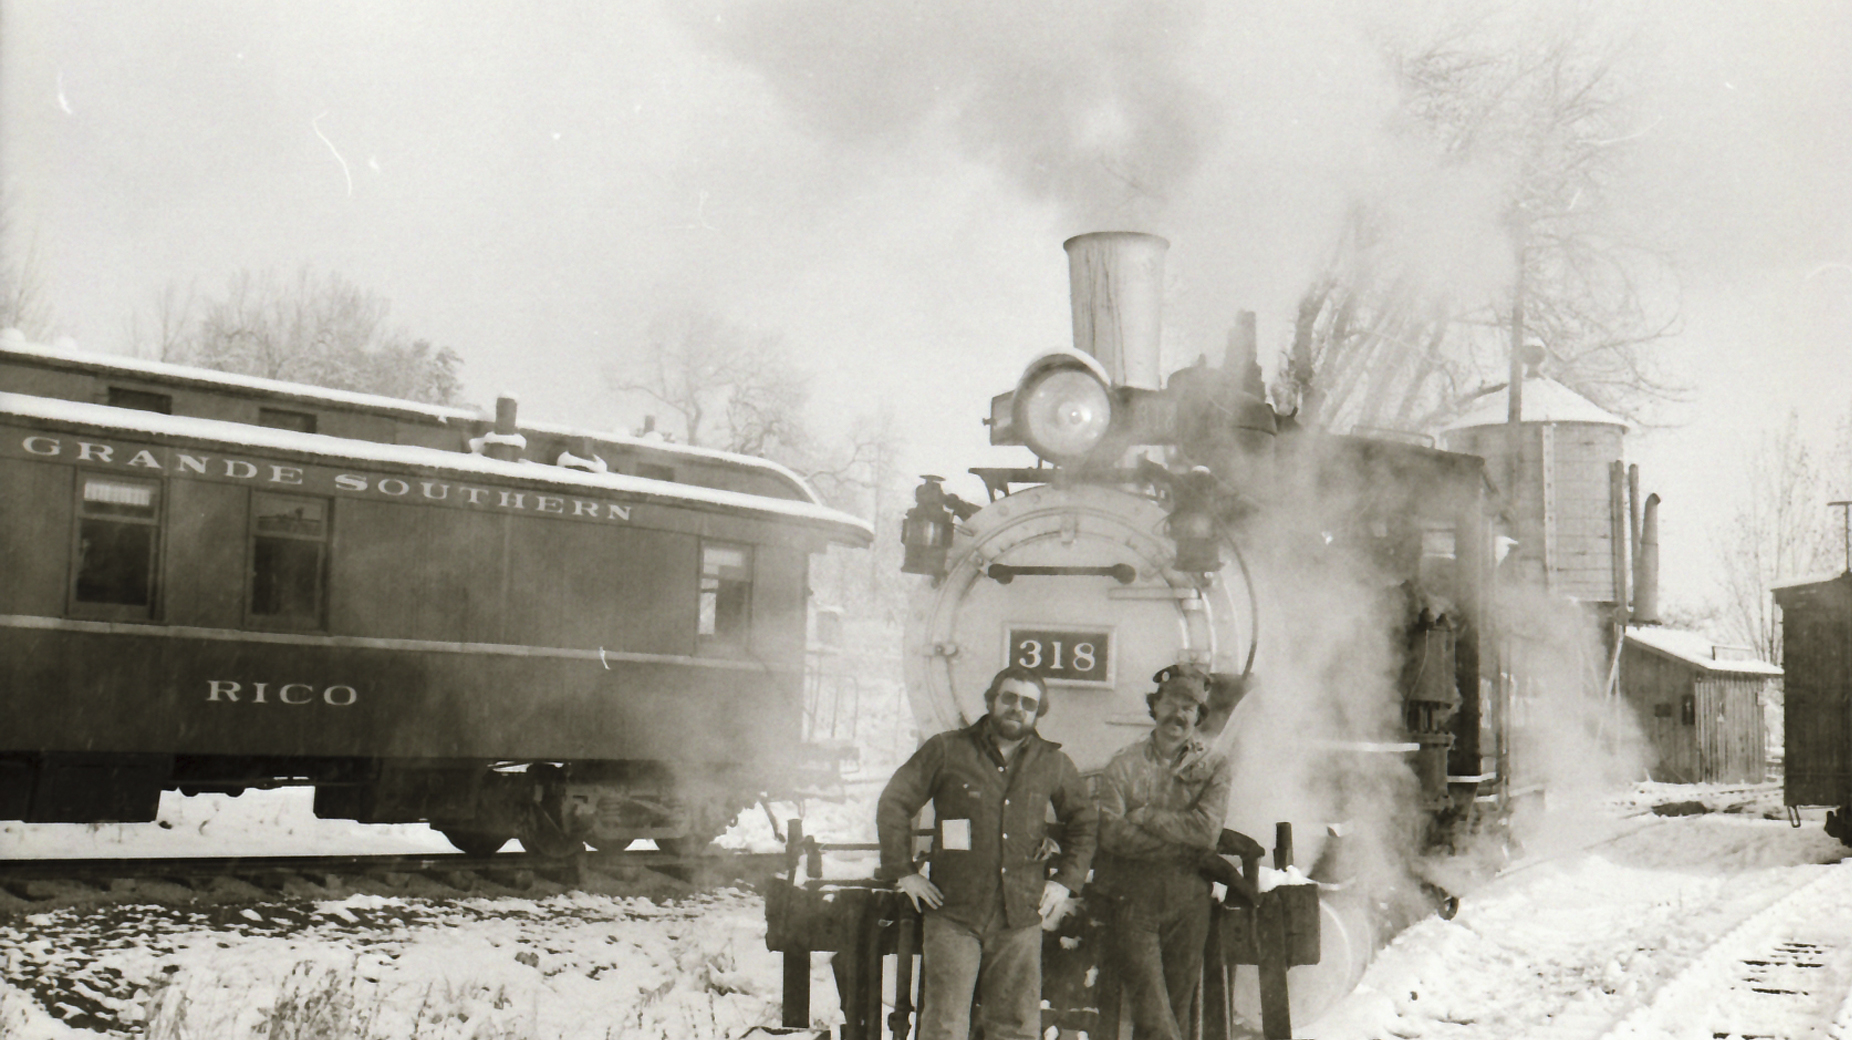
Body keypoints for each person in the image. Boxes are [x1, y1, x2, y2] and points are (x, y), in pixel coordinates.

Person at [876, 665, 1099, 1040]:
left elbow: (1084, 822)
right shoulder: (947, 749)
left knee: (1014, 1027)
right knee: (944, 1026)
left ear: (1038, 712)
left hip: (1020, 917)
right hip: (954, 914)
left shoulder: (1052, 762)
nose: (1017, 708)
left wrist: (1064, 882)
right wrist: (904, 870)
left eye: (1028, 703)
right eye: (1008, 698)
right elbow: (895, 802)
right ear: (991, 701)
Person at [1095, 665, 1235, 1040]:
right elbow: (1110, 833)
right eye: (1171, 703)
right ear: (1155, 707)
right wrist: (1178, 845)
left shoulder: (1214, 765)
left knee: (1175, 1004)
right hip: (1133, 896)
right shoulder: (1123, 764)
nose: (1179, 714)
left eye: (1189, 707)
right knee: (1153, 1007)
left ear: (1198, 715)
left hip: (1189, 900)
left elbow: (1205, 831)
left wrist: (1145, 817)